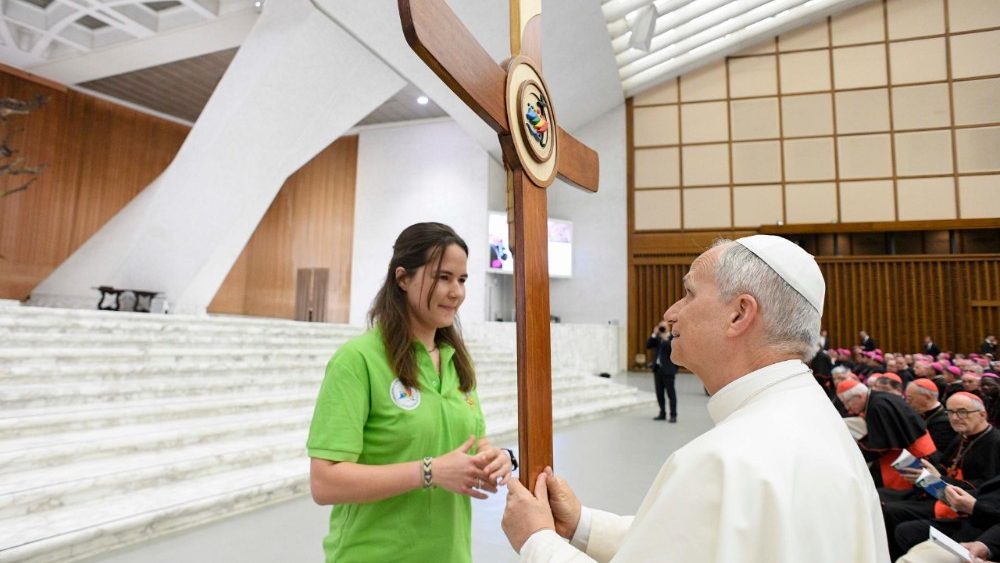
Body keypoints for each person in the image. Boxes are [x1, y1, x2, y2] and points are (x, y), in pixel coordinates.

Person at [501, 235, 890, 562]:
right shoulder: (814, 418)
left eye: (688, 294)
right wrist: (582, 525)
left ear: (739, 314)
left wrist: (536, 540)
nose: (671, 312)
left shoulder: (725, 459)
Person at [306, 222, 514, 563]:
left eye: (462, 280)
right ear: (403, 278)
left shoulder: (456, 362)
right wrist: (429, 472)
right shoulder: (357, 361)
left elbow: (475, 441)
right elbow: (324, 482)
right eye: (443, 277)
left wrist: (495, 458)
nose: (456, 292)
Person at [837, 379, 936, 491]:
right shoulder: (877, 400)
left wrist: (855, 454)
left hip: (915, 454)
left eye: (847, 402)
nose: (847, 408)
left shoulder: (877, 405)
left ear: (859, 396)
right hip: (909, 450)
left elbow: (882, 445)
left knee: (903, 493)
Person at [906, 378, 957, 453]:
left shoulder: (944, 423)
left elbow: (936, 453)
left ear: (927, 397)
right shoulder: (920, 413)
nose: (907, 402)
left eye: (910, 398)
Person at [645, 321, 678, 422]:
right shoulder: (657, 338)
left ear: (668, 327)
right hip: (657, 370)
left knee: (671, 394)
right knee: (659, 393)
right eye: (660, 327)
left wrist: (666, 340)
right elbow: (648, 345)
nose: (662, 329)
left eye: (664, 327)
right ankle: (662, 413)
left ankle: (673, 415)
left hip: (668, 371)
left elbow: (674, 350)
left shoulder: (673, 338)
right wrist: (654, 334)